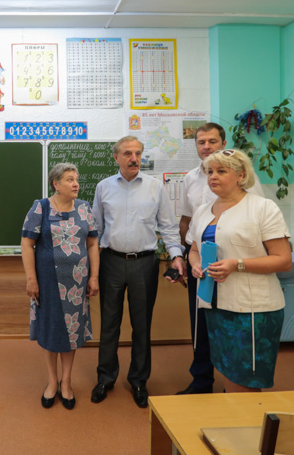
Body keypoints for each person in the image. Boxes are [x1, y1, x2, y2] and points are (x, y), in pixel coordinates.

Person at [91, 136, 185, 408]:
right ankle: (105, 378)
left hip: (144, 263)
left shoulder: (155, 187)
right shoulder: (103, 187)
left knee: (142, 325)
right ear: (116, 157)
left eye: (137, 153)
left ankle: (139, 381)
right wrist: (91, 267)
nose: (134, 158)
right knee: (109, 324)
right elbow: (95, 229)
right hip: (111, 261)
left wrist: (176, 256)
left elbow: (168, 226)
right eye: (127, 153)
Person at [187, 149, 291, 393]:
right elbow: (194, 249)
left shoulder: (263, 208)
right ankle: (233, 415)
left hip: (252, 309)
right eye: (210, 172)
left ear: (241, 175)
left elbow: (283, 260)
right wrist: (195, 264)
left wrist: (237, 264)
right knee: (227, 370)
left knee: (245, 378)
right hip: (215, 306)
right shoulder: (203, 211)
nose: (213, 176)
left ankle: (247, 417)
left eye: (221, 171)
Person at [175, 123, 264, 395]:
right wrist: (187, 258)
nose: (206, 146)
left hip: (233, 268)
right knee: (200, 325)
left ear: (224, 143)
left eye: (212, 141)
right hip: (200, 265)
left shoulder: (242, 177)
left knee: (229, 325)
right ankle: (201, 381)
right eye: (201, 142)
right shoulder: (191, 178)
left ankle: (233, 385)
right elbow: (186, 220)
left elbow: (257, 223)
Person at [21, 163, 99, 410]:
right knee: (50, 329)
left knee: (72, 332)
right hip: (47, 282)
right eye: (70, 179)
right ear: (56, 184)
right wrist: (31, 279)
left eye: (76, 179)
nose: (76, 184)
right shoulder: (41, 207)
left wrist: (94, 276)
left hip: (76, 282)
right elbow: (26, 244)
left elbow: (92, 244)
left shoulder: (84, 208)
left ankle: (66, 382)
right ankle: (52, 382)